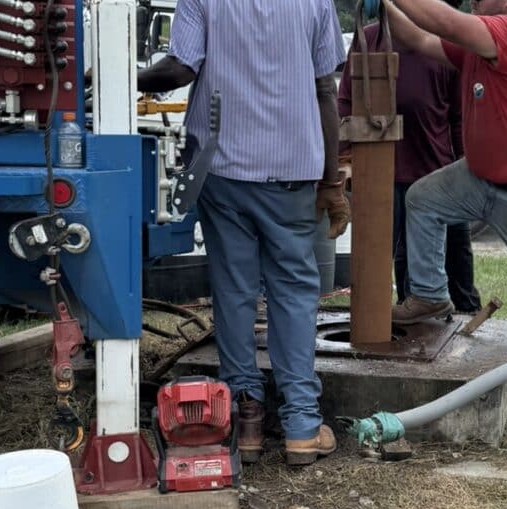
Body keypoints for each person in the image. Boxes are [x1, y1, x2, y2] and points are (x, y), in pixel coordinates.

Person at [136, 0, 350, 466]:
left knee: (233, 289)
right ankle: (301, 426)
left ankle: (246, 418)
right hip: (292, 168)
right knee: (293, 291)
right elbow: (325, 91)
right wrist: (333, 181)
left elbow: (178, 70)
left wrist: (117, 80)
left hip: (223, 168)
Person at [380, 0, 507, 402]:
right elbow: (418, 37)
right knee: (423, 199)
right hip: (484, 175)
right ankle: (429, 295)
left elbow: (440, 19)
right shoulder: (481, 43)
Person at [336, 2, 481, 314]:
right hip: (381, 175)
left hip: (435, 172)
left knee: (455, 253)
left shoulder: (441, 47)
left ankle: (468, 315)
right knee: (387, 255)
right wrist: (340, 162)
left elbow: (458, 116)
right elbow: (345, 103)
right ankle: (403, 319)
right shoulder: (366, 41)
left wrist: (468, 165)